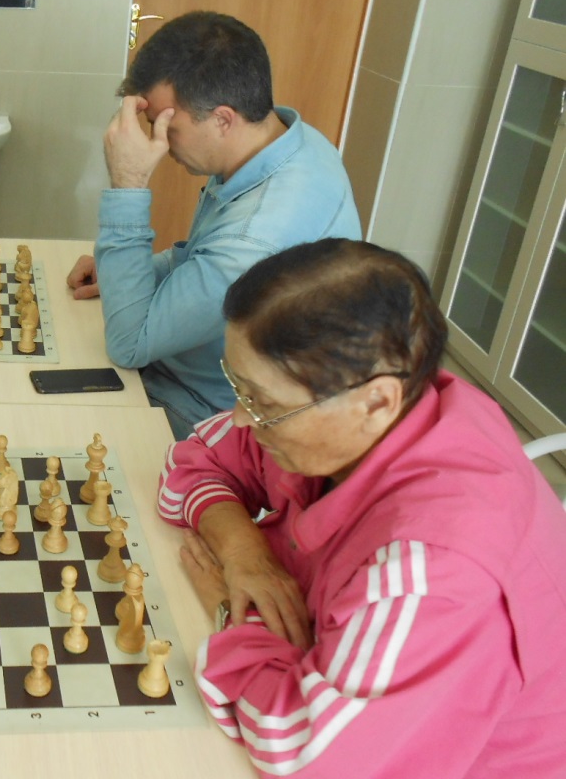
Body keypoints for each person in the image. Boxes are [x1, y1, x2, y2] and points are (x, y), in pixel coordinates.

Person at [163, 238, 566, 777]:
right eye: (240, 386)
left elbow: (302, 751)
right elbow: (190, 464)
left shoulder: (437, 568)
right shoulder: (352, 417)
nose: (240, 417)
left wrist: (234, 613)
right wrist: (243, 552)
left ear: (376, 401)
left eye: (263, 402)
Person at [66, 12, 360, 438]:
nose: (159, 143)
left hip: (210, 412)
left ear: (223, 119)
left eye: (168, 126)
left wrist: (127, 185)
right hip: (185, 370)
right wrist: (133, 271)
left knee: (45, 417)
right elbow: (198, 256)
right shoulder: (288, 141)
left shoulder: (256, 238)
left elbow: (129, 344)